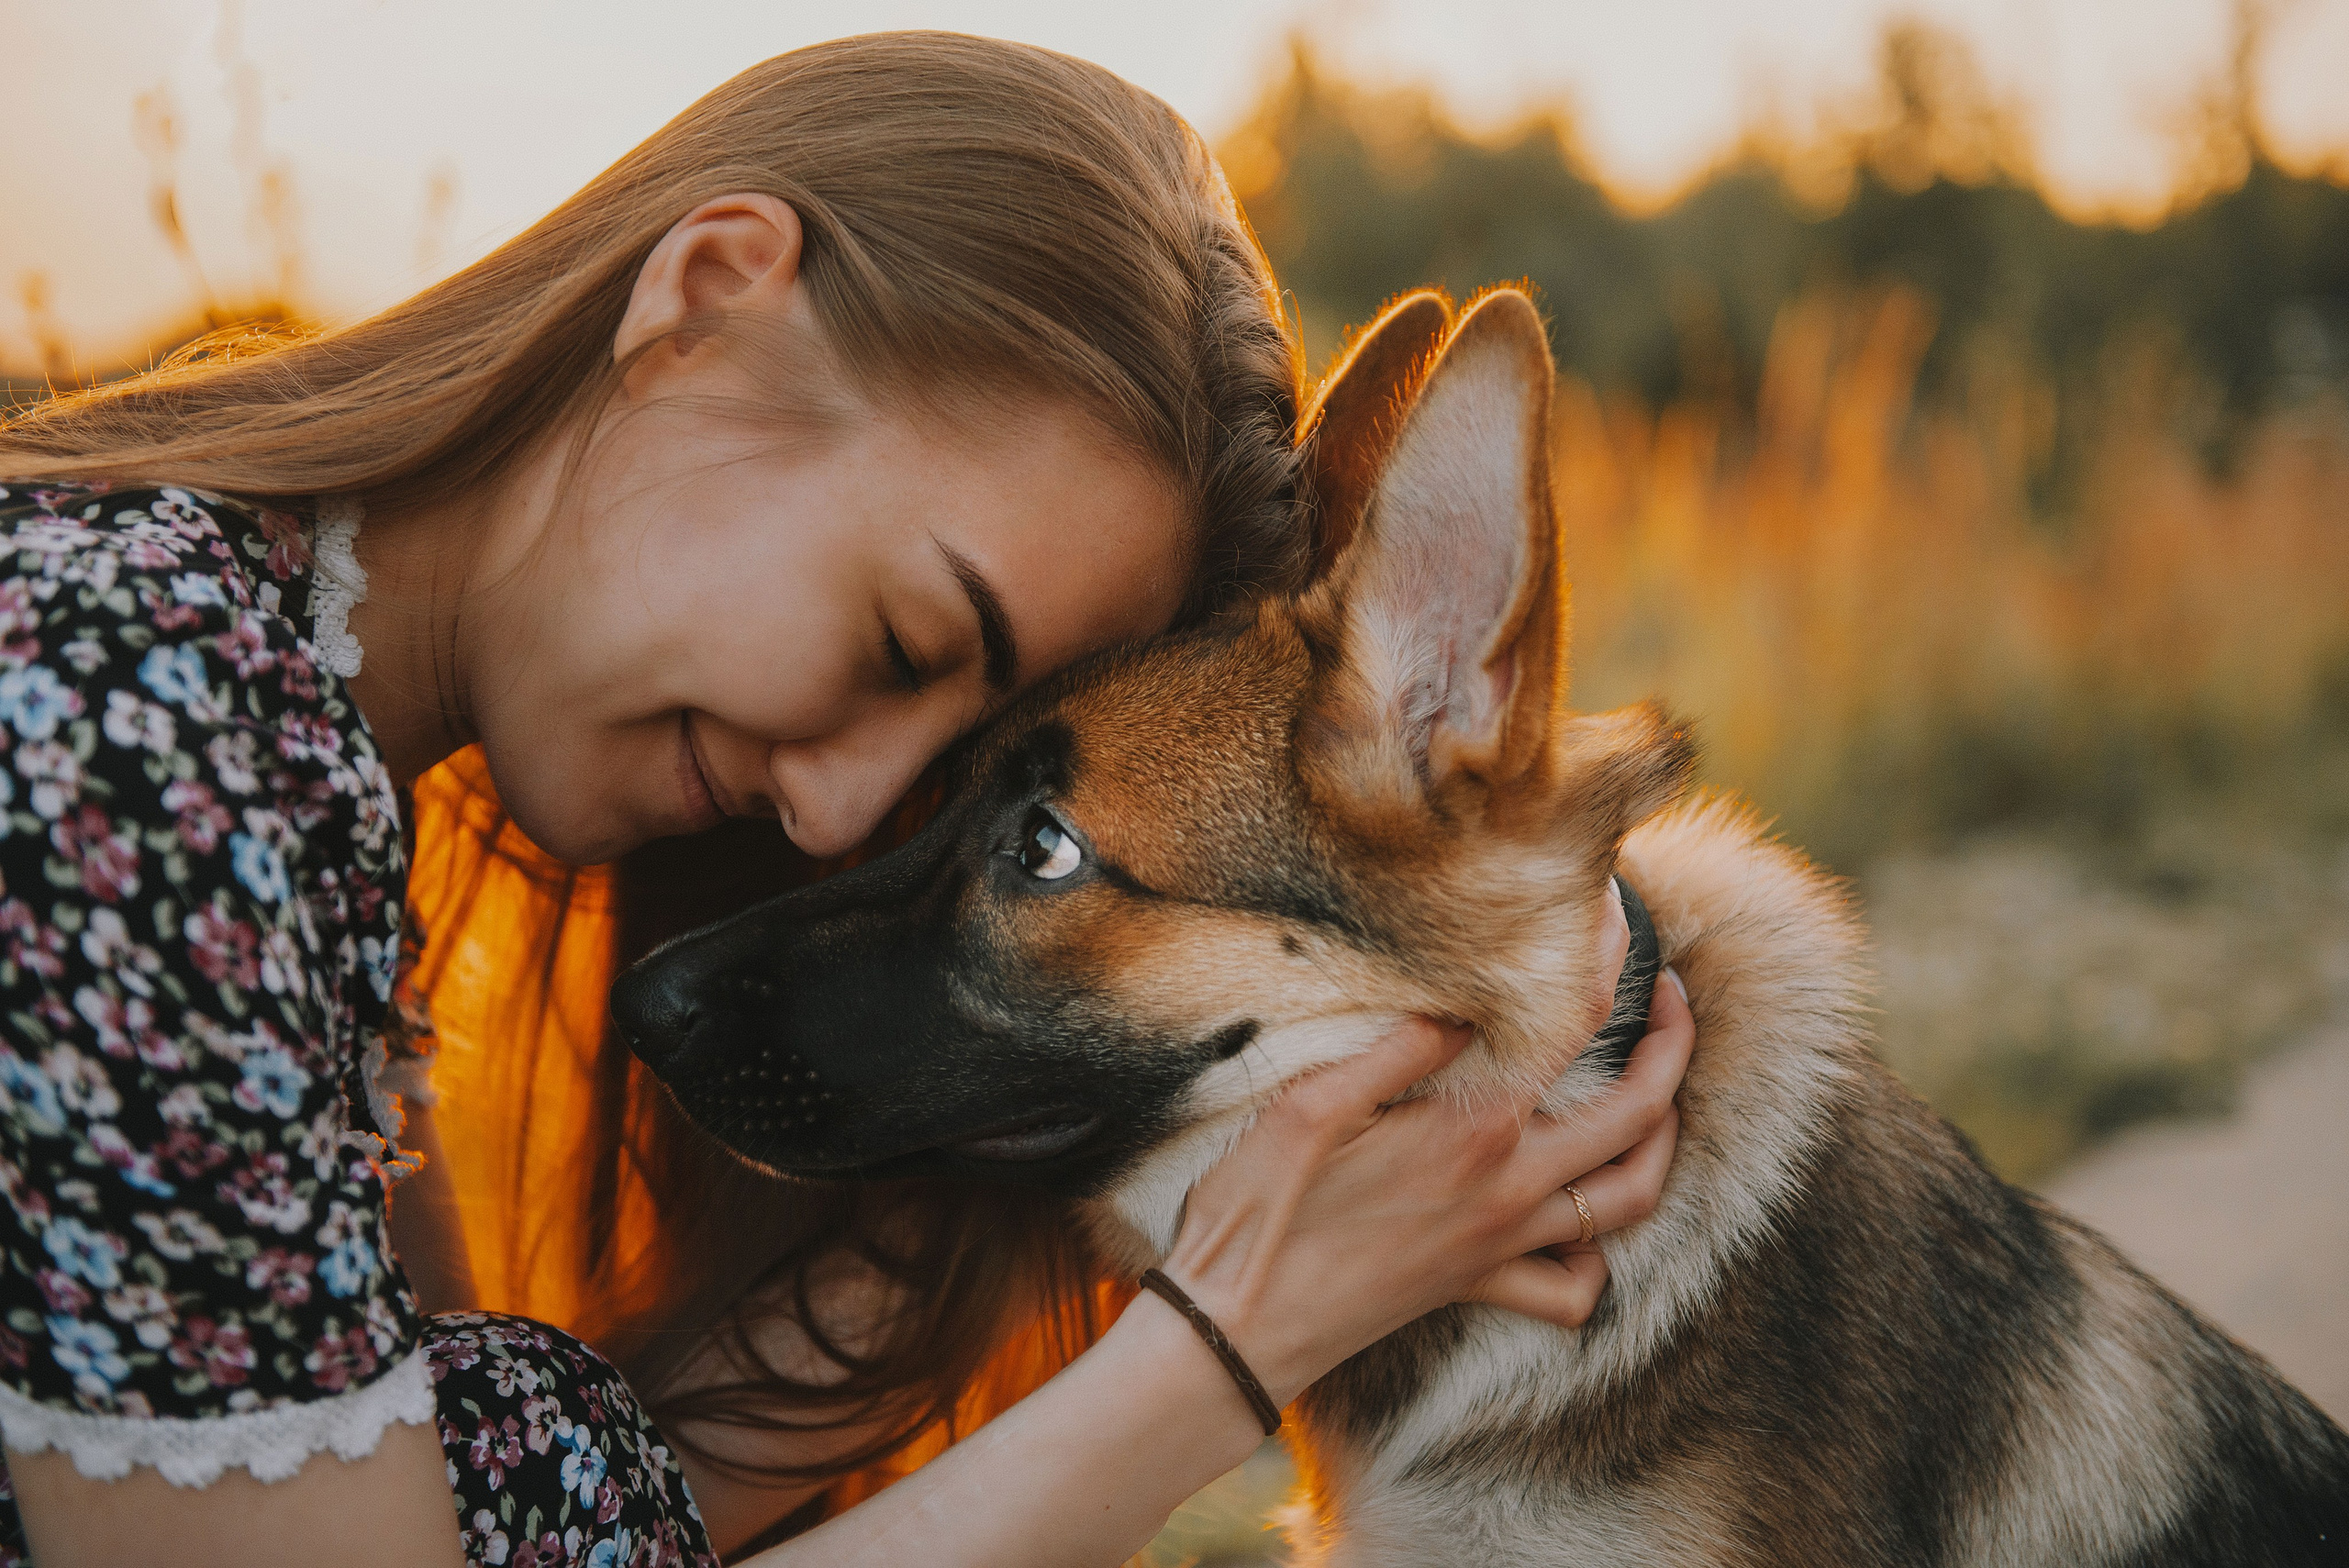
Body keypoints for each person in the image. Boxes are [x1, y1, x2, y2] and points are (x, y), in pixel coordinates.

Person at [0, 32, 1691, 1568]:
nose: (841, 816)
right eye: (905, 637)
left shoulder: (291, 757)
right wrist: (1226, 1346)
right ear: (712, 298)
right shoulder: (126, 730)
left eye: (966, 776)